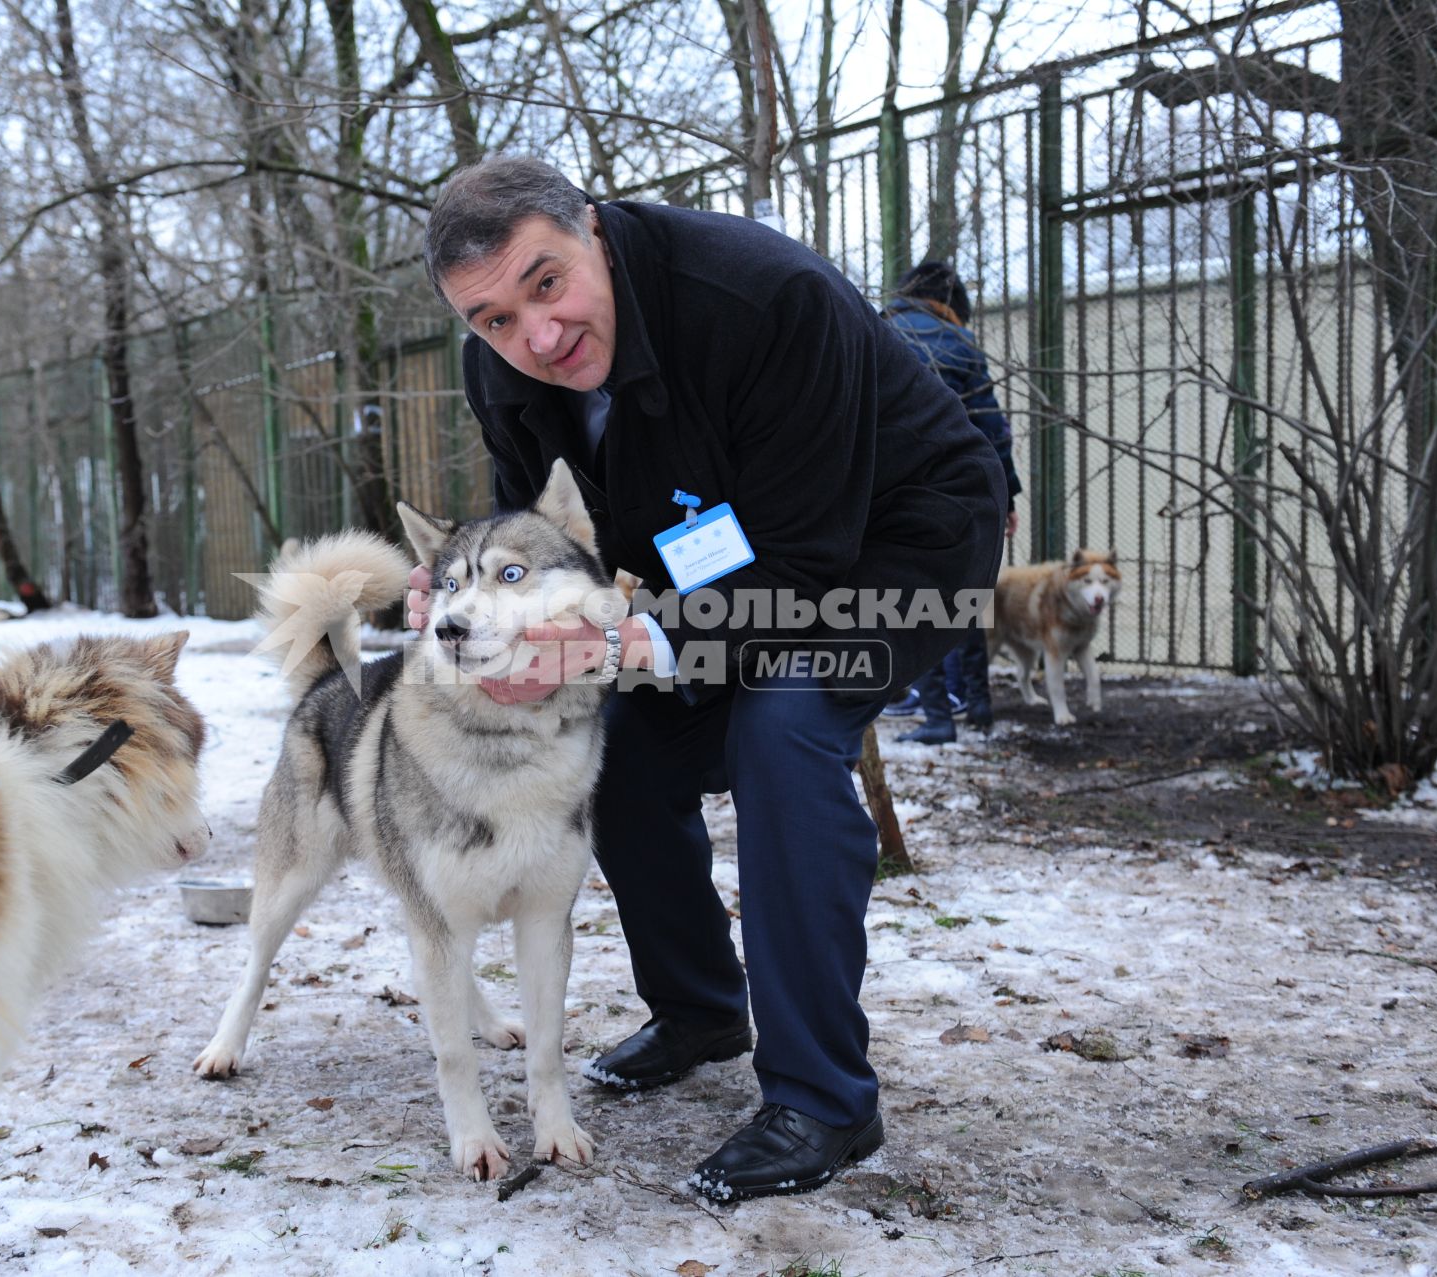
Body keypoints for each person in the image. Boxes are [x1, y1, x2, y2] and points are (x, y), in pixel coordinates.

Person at [409, 156, 1005, 1202]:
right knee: (613, 739)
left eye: (547, 283)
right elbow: (548, 543)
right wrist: (490, 615)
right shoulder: (501, 368)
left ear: (591, 227)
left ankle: (826, 1097)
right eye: (494, 319)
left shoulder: (760, 298)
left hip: (896, 550)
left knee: (782, 726)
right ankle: (698, 1005)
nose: (535, 338)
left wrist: (638, 642)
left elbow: (804, 565)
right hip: (726, 561)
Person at [880, 260, 1023, 745]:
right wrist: (1006, 496)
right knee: (966, 594)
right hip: (960, 489)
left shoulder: (880, 333)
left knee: (915, 603)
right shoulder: (961, 344)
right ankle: (979, 706)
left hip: (898, 490)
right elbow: (991, 427)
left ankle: (937, 714)